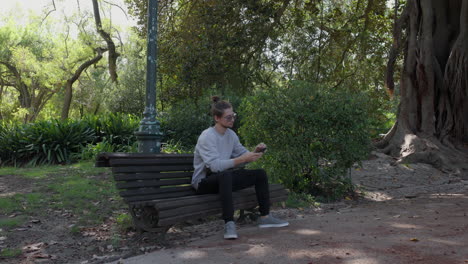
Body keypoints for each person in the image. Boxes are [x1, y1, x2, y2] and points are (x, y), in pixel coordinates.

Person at [192, 96, 289, 240]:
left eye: (233, 116)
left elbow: (243, 157)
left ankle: (265, 217)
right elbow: (214, 167)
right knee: (225, 175)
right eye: (228, 117)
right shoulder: (207, 136)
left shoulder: (231, 135)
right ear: (217, 118)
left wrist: (255, 153)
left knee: (259, 174)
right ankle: (229, 223)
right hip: (204, 183)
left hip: (225, 179)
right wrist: (242, 159)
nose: (232, 120)